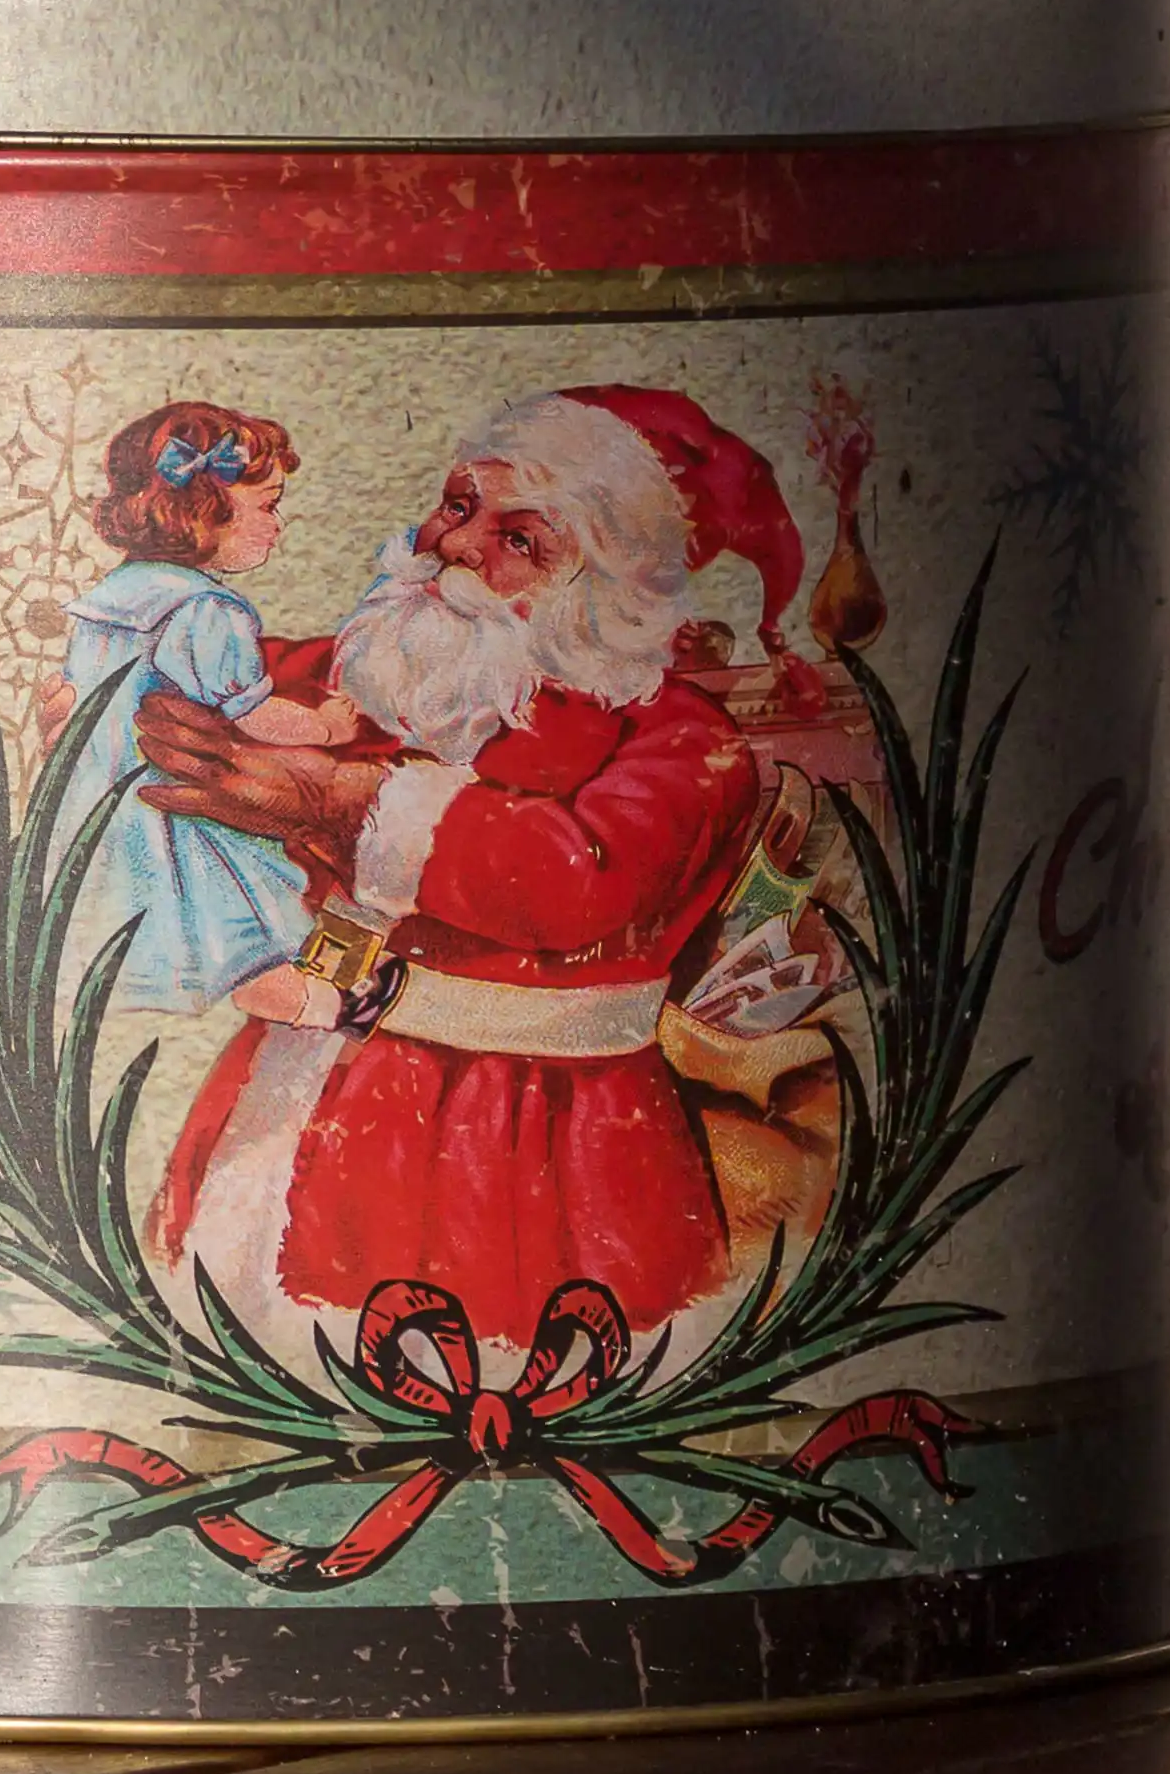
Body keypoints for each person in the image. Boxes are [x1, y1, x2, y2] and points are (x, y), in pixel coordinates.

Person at [130, 384, 823, 1366]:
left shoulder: (677, 742)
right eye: (459, 506)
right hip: (288, 1090)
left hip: (528, 1146)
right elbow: (195, 676)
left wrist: (339, 801)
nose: (456, 547)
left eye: (520, 540)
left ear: (607, 588)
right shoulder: (372, 671)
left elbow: (574, 880)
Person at [57, 400, 362, 1015]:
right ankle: (317, 1006)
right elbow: (253, 712)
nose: (279, 524)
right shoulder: (206, 610)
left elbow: (78, 692)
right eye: (269, 506)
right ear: (205, 511)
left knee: (152, 917)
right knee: (233, 915)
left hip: (98, 793)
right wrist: (327, 727)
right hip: (172, 797)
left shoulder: (110, 594)